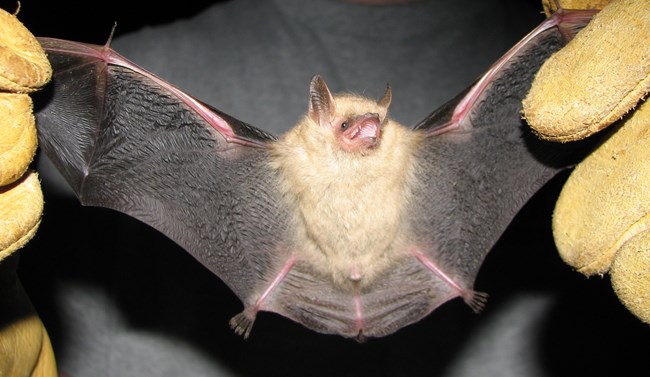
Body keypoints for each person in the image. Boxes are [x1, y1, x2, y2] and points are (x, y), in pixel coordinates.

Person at [6, 0, 648, 376]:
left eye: (378, 120)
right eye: (354, 123)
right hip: (295, 261)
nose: (369, 130)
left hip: (411, 255)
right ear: (318, 113)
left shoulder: (428, 142)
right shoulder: (267, 156)